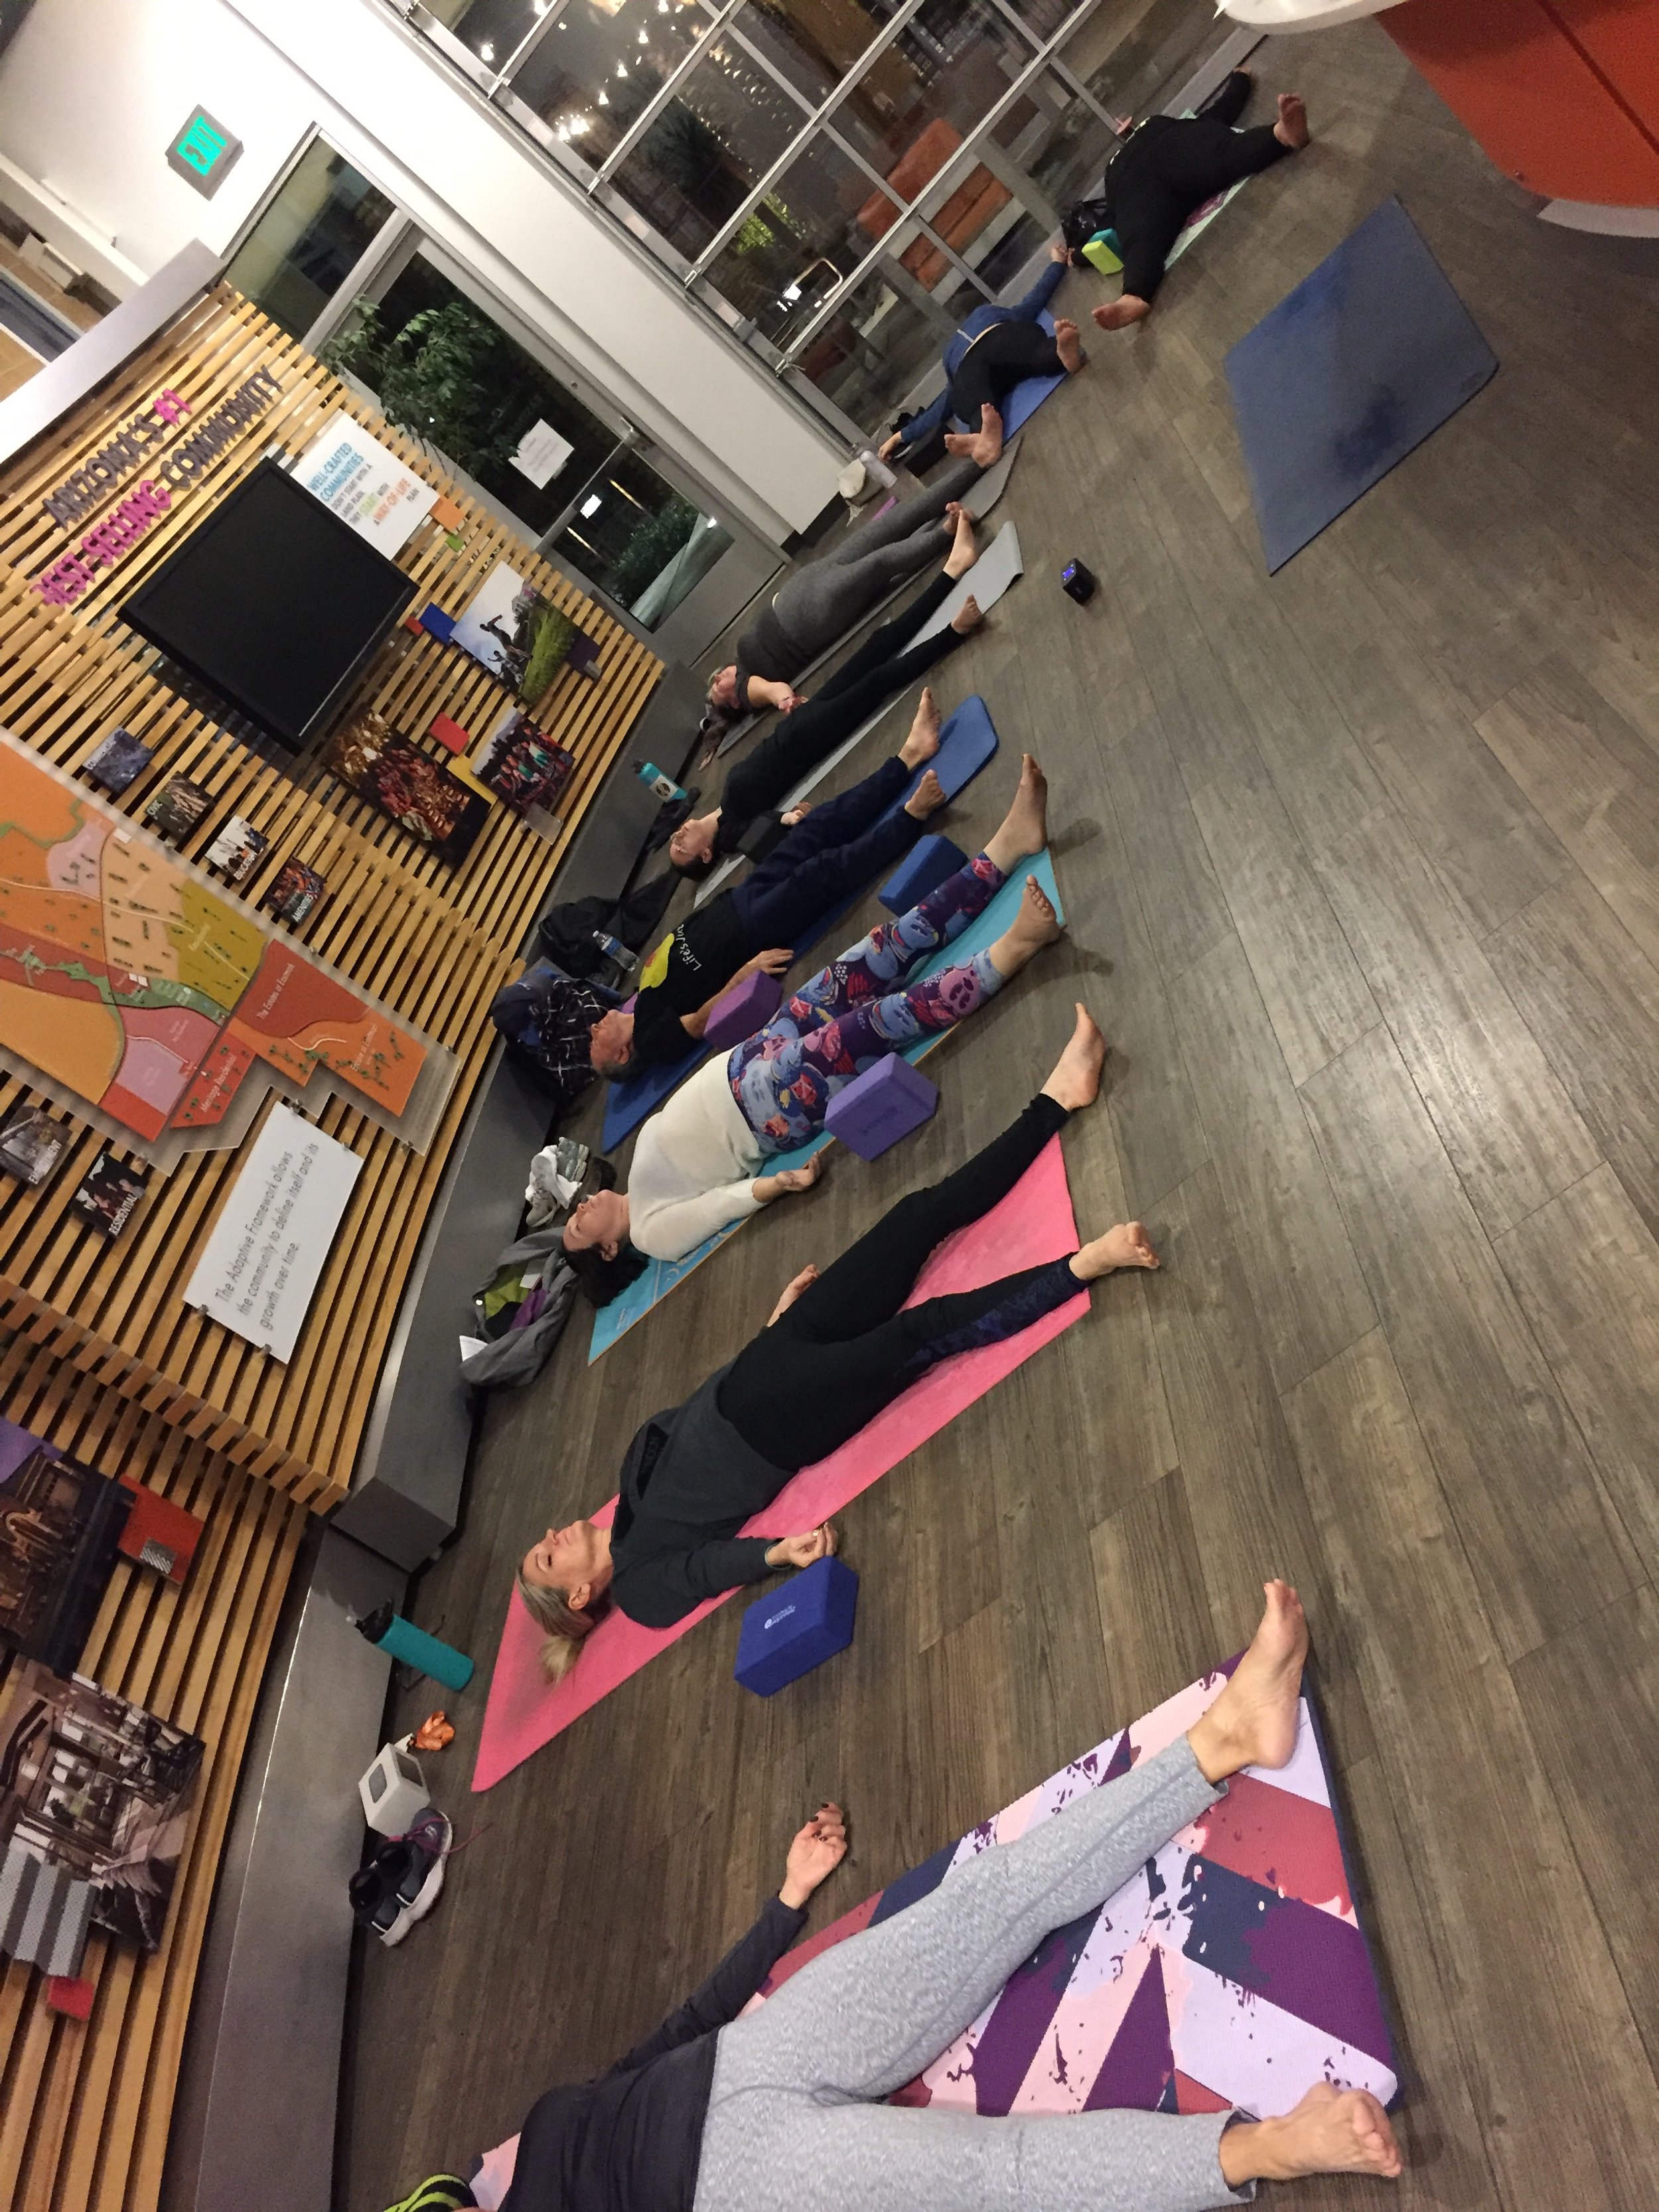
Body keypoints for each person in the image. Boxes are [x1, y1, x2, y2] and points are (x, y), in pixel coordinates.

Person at [396, 1586, 1406, 2212]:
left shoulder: (508, 2155)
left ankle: (1229, 1738)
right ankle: (1264, 2148)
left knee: (991, 1900)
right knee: (994, 2175)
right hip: (743, 2189)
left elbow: (666, 2038)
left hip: (742, 2059)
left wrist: (783, 1907)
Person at [524, 1003, 1157, 1669]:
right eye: (547, 1558)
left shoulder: (631, 1480)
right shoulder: (641, 1587)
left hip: (776, 1352)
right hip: (787, 1421)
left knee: (915, 1219)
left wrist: (770, 1324)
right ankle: (1085, 1264)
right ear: (578, 1596)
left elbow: (703, 1405)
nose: (552, 1536)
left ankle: (1057, 1097)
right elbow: (705, 1570)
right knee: (923, 1332)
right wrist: (775, 1553)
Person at [569, 758, 1057, 1270]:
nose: (582, 1207)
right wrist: (774, 1186)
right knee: (879, 1020)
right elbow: (714, 1209)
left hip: (756, 1050)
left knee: (878, 951)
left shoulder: (634, 1170)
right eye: (582, 1226)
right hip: (768, 1107)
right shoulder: (649, 1235)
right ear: (607, 1250)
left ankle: (1006, 846)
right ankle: (1013, 950)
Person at [589, 724, 950, 1076]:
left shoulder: (642, 1000)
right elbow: (699, 1024)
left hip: (739, 901)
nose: (593, 1029)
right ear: (622, 1054)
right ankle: (910, 817)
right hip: (752, 929)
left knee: (815, 829)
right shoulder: (652, 1042)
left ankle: (907, 757)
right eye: (595, 1043)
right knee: (824, 871)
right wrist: (742, 977)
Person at [706, 407, 1006, 726]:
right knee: (880, 564)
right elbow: (773, 690)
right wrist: (783, 699)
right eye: (716, 690)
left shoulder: (741, 662)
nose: (718, 678)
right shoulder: (749, 690)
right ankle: (950, 531)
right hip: (814, 614)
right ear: (734, 703)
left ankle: (979, 459)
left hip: (813, 577)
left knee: (896, 522)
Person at [672, 576, 984, 879]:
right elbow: (760, 834)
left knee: (875, 647)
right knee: (878, 681)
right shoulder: (728, 835)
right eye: (681, 848)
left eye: (674, 840)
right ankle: (955, 632)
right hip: (811, 737)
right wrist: (789, 818)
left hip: (800, 722)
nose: (677, 836)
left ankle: (948, 575)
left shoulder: (722, 807)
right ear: (705, 855)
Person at [1090, 73, 1309, 333]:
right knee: (1222, 155)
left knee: (1140, 236)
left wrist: (1240, 79)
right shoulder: (1156, 128)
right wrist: (1240, 79)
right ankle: (1278, 135)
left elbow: (1107, 218)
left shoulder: (1124, 158)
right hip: (1151, 174)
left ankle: (1134, 295)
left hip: (1153, 171)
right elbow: (1219, 111)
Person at [879, 243, 1087, 472]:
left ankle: (983, 437)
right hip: (1002, 338)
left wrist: (899, 437)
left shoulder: (950, 356)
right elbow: (1035, 299)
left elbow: (942, 407)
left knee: (978, 405)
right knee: (1034, 354)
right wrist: (1057, 263)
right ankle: (1058, 354)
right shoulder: (988, 313)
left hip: (971, 367)